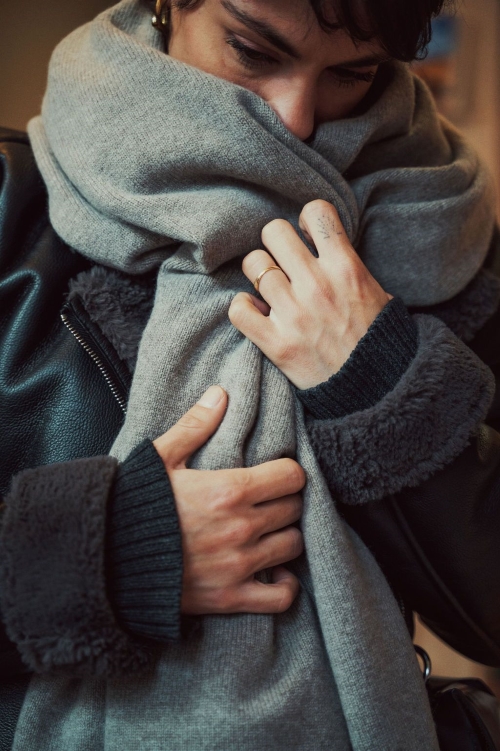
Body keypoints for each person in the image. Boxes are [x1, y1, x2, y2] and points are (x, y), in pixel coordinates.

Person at [1, 0, 500, 749]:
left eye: (351, 74)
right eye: (251, 50)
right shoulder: (10, 207)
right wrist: (110, 553)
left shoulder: (442, 236)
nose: (295, 118)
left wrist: (379, 378)